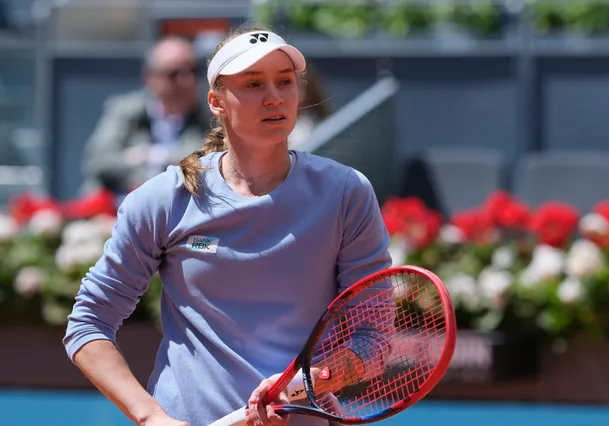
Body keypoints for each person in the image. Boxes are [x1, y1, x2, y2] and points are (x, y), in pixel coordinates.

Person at [63, 24, 392, 426]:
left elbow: (373, 339)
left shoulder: (346, 193)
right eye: (253, 84)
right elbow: (88, 324)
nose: (274, 97)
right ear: (216, 102)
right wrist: (151, 417)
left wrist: (304, 385)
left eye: (285, 82)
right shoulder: (163, 199)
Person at [80, 36, 209, 197]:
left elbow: (207, 163)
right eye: (174, 74)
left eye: (193, 71)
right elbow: (98, 161)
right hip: (120, 207)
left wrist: (151, 156)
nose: (186, 81)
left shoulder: (210, 116)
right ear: (150, 77)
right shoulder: (125, 110)